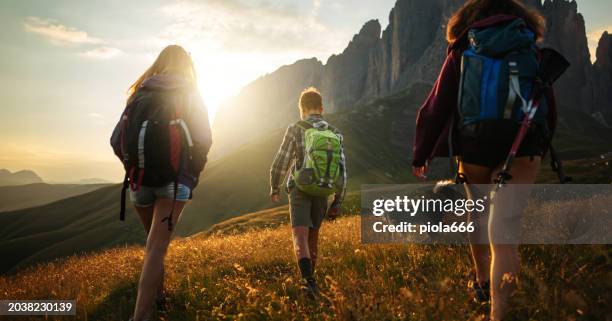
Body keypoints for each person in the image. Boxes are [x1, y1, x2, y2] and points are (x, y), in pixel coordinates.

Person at [411, 1, 556, 320]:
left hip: (474, 145)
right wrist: (539, 151)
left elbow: (436, 105)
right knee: (503, 229)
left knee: (478, 217)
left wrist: (422, 154)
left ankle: (481, 282)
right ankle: (500, 311)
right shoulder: (527, 46)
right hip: (523, 146)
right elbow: (546, 103)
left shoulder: (464, 46)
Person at [110, 45, 212, 321]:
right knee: (157, 245)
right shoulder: (190, 91)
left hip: (138, 184)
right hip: (174, 181)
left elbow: (115, 138)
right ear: (186, 65)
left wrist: (133, 170)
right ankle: (139, 317)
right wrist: (191, 174)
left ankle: (159, 297)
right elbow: (204, 138)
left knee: (154, 243)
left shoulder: (140, 93)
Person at [269, 87, 347, 297]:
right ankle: (312, 281)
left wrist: (274, 186)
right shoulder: (335, 133)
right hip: (323, 190)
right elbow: (342, 169)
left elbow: (281, 161)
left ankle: (308, 282)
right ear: (321, 108)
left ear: (301, 109)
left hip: (300, 188)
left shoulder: (296, 128)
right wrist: (338, 201)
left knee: (299, 236)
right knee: (313, 237)